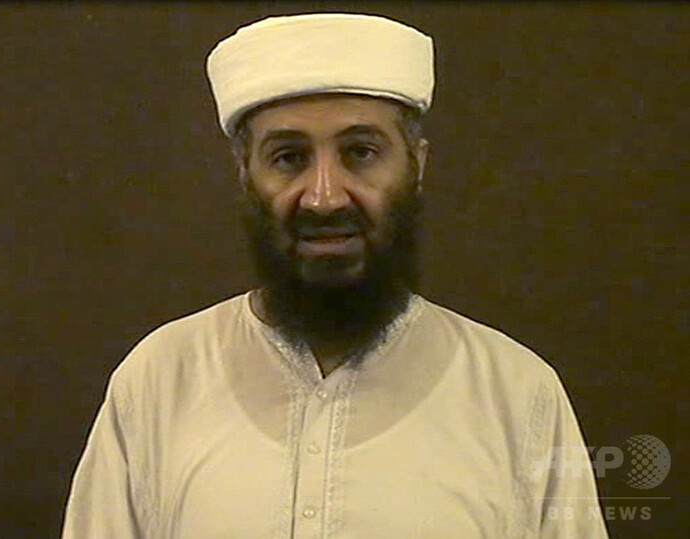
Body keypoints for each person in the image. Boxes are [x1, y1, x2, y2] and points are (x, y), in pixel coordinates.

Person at [61, 13, 608, 538]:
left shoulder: (516, 394)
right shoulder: (160, 382)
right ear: (245, 174)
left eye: (361, 152)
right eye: (288, 157)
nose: (324, 197)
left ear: (416, 165)